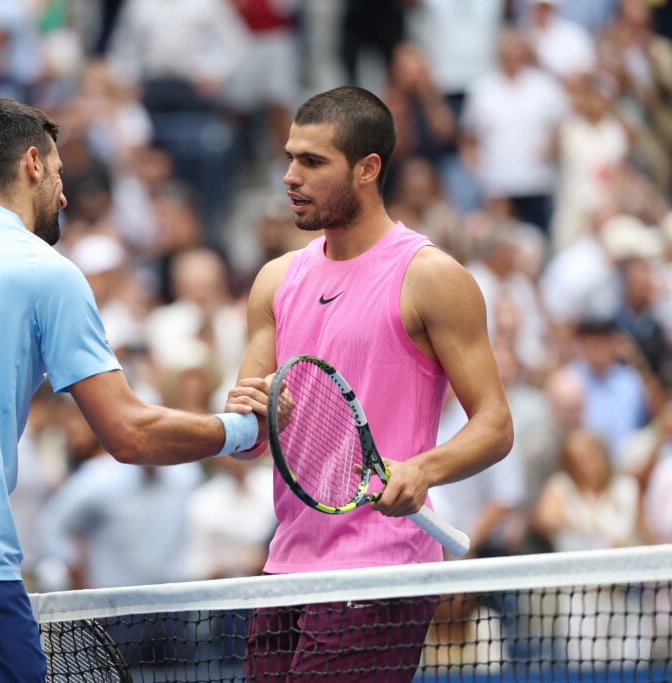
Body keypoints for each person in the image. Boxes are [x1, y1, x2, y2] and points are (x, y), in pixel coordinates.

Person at [0, 97, 263, 683]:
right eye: (59, 174)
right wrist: (244, 431)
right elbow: (129, 433)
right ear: (33, 164)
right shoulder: (47, 272)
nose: (63, 194)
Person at [231, 86, 513, 683]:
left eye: (312, 162)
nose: (289, 176)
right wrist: (251, 418)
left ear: (368, 168)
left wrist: (426, 469)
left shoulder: (431, 276)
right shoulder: (274, 281)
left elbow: (495, 425)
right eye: (289, 158)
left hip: (384, 569)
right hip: (286, 566)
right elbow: (253, 438)